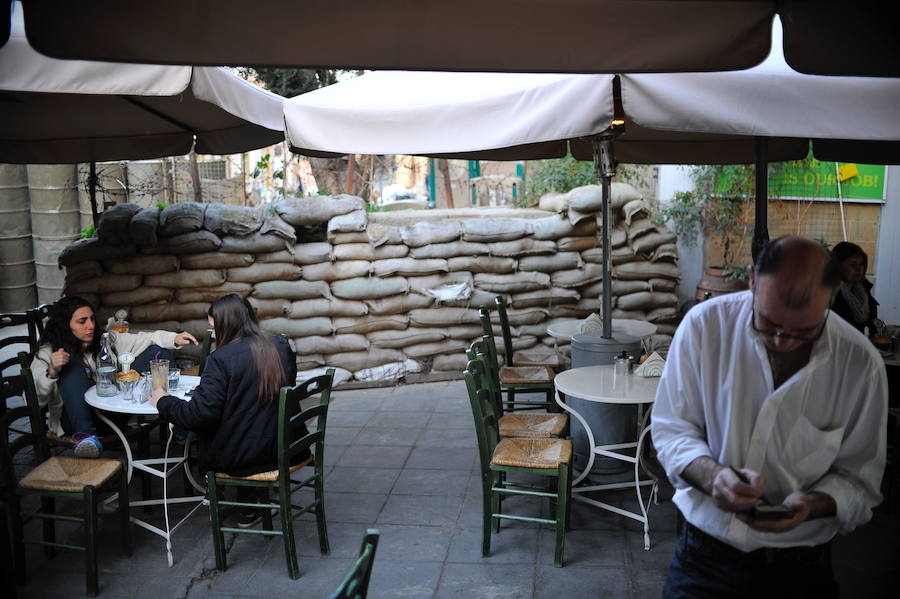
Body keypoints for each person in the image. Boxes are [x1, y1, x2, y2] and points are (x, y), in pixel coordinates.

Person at [651, 236, 887, 599]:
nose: (783, 341)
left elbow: (861, 482)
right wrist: (714, 478)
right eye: (769, 322)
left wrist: (814, 504)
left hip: (801, 567)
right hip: (706, 556)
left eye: (804, 331)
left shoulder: (860, 364)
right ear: (751, 280)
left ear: (833, 295)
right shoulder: (704, 327)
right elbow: (672, 431)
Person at [149, 293, 304, 528]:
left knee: (208, 432)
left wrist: (163, 401)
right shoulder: (280, 346)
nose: (211, 334)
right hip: (286, 445)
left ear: (227, 325)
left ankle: (219, 496)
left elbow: (197, 416)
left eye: (213, 327)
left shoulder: (220, 359)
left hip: (248, 456)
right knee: (240, 418)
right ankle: (248, 505)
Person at [31, 296, 198, 457]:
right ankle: (87, 439)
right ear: (65, 325)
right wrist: (52, 372)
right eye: (82, 321)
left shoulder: (104, 340)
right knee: (71, 367)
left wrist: (174, 338)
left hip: (111, 413)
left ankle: (179, 424)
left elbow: (145, 338)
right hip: (75, 422)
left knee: (157, 353)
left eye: (92, 319)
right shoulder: (48, 352)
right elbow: (32, 401)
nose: (91, 326)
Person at [830, 241, 879, 334]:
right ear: (838, 266)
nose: (859, 269)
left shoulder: (863, 288)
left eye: (861, 264)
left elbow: (872, 322)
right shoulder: (828, 292)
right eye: (852, 265)